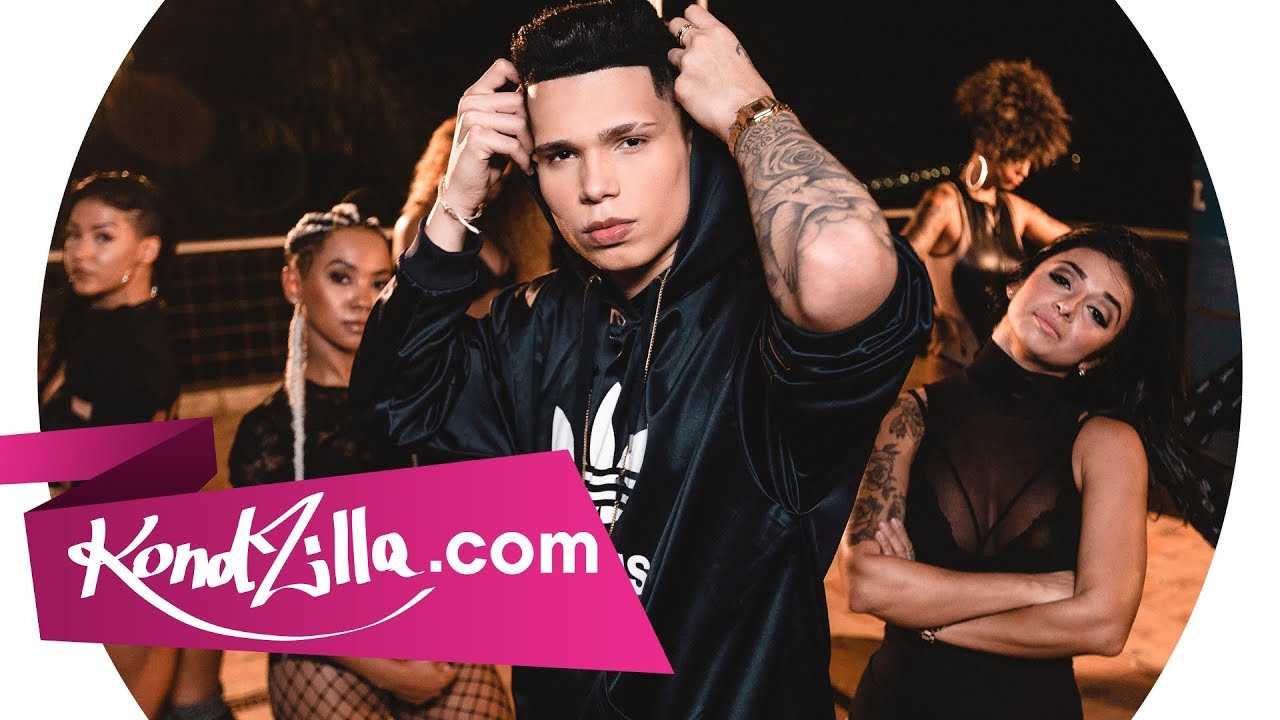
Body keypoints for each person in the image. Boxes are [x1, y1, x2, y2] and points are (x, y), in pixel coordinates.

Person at [351, 1, 930, 717]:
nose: (595, 187)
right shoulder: (529, 324)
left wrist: (749, 108)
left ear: (693, 138)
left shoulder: (762, 325)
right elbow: (392, 410)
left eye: (629, 141)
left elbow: (839, 263)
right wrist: (455, 200)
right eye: (561, 155)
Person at [837, 225, 1222, 719]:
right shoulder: (908, 415)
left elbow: (1103, 627)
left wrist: (928, 619)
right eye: (1063, 279)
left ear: (1098, 356)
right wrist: (1037, 588)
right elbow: (867, 584)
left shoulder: (1107, 445)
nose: (1069, 306)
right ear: (1018, 281)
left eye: (1098, 313)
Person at [228, 202, 513, 720]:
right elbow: (273, 588)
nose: (362, 299)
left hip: (425, 624)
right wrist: (389, 672)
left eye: (380, 281)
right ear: (294, 283)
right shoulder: (269, 431)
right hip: (328, 643)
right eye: (341, 277)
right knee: (314, 671)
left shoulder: (422, 403)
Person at [40, 171, 234, 720]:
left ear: (147, 249)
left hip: (123, 555)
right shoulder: (89, 324)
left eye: (103, 236)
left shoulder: (139, 350)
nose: (80, 252)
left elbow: (116, 470)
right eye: (73, 234)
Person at [904, 59, 1072, 373]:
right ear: (987, 141)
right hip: (949, 371)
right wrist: (929, 316)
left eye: (1031, 159)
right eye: (1018, 156)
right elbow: (895, 268)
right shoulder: (945, 202)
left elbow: (1081, 243)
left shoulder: (1016, 210)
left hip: (1001, 375)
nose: (1025, 170)